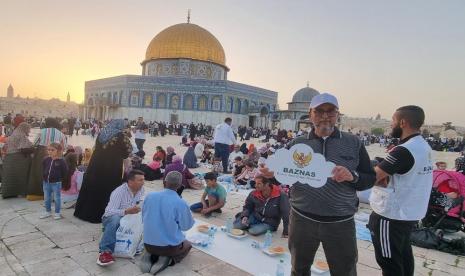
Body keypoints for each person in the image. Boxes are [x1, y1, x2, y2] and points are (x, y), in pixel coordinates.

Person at [261, 93, 375, 276]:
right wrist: (271, 175)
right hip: (302, 220)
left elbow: (369, 178)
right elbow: (285, 176)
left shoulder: (353, 143)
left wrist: (351, 176)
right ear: (310, 114)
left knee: (344, 271)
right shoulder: (297, 144)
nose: (325, 116)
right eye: (319, 111)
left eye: (330, 112)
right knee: (299, 269)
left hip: (340, 223)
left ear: (338, 115)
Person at [368, 106, 433, 276]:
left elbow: (374, 176)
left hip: (390, 216)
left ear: (403, 122)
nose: (391, 124)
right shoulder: (422, 145)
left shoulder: (403, 150)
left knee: (389, 262)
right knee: (403, 257)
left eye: (393, 120)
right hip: (408, 213)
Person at [74, 119, 132, 223]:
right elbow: (127, 152)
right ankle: (100, 214)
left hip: (96, 165)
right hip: (111, 167)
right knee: (107, 188)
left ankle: (83, 212)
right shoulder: (121, 136)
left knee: (93, 186)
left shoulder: (102, 133)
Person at [139, 171, 194, 274]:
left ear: (164, 182)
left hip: (147, 243)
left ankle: (151, 254)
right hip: (167, 248)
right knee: (188, 244)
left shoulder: (149, 196)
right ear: (179, 185)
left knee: (157, 240)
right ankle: (169, 259)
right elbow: (186, 226)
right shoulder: (180, 202)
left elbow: (143, 216)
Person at [97, 170, 145, 266]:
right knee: (114, 219)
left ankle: (139, 245)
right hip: (113, 217)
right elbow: (108, 212)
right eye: (140, 180)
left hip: (129, 217)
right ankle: (105, 252)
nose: (143, 182)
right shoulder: (119, 192)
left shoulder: (141, 190)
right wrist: (126, 211)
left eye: (143, 180)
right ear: (130, 182)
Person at [28, 118, 67, 201]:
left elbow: (35, 143)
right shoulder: (60, 134)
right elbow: (64, 147)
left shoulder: (42, 131)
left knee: (39, 171)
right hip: (56, 153)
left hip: (41, 152)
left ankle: (40, 192)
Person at [1, 122, 33, 198]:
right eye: (28, 129)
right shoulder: (21, 135)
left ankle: (8, 193)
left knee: (10, 177)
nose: (29, 131)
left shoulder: (14, 133)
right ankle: (22, 191)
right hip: (18, 159)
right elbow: (23, 149)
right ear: (24, 128)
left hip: (9, 159)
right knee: (22, 174)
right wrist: (33, 149)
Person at [40, 143, 68, 220]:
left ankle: (57, 213)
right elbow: (43, 169)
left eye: (52, 150)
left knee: (57, 198)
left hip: (56, 183)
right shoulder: (46, 159)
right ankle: (48, 211)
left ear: (58, 151)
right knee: (46, 198)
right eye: (48, 150)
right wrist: (44, 177)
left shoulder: (61, 161)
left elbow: (65, 172)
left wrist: (60, 180)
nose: (50, 151)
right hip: (46, 183)